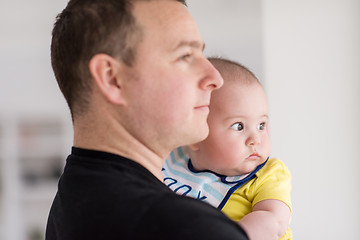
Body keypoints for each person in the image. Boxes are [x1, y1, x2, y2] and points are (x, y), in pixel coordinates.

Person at [45, 0, 250, 239]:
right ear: (112, 78)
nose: (215, 77)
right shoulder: (189, 228)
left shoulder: (71, 201)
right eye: (185, 56)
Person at [163, 57, 292, 239]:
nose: (255, 138)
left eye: (261, 125)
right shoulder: (173, 161)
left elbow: (273, 222)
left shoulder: (267, 174)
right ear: (194, 135)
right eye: (239, 126)